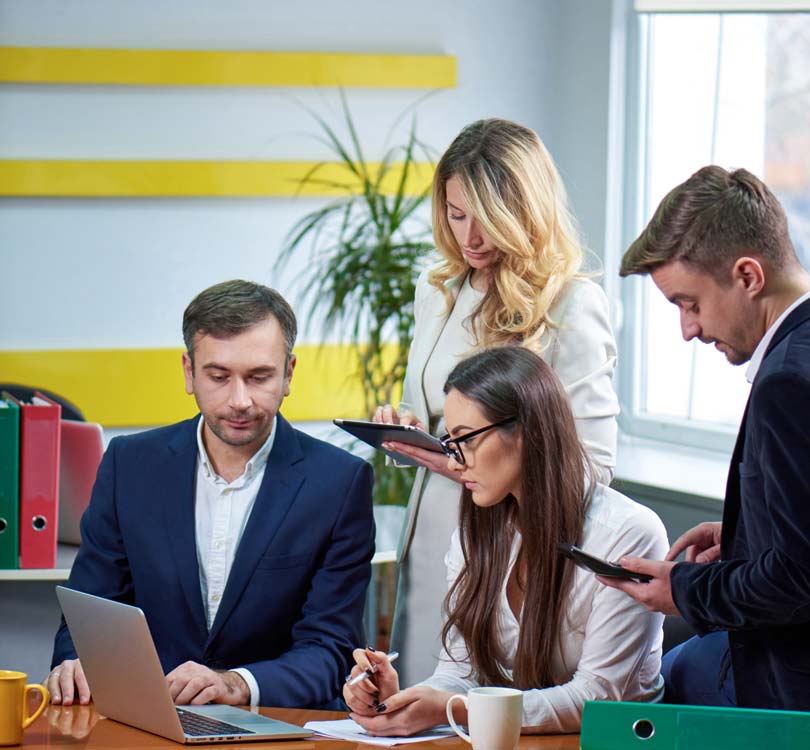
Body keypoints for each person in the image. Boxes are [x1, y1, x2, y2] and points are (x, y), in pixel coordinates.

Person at [48, 279, 375, 709]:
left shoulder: (339, 482)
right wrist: (76, 662)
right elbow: (89, 610)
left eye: (259, 377)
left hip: (278, 722)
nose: (239, 400)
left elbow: (332, 649)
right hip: (149, 718)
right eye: (218, 377)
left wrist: (236, 684)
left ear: (289, 374)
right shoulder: (130, 464)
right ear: (189, 372)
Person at [376, 118, 620, 683]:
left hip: (511, 546)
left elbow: (595, 468)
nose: (470, 236)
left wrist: (471, 462)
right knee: (423, 696)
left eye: (486, 217)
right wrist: (405, 429)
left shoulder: (571, 303)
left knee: (493, 707)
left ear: (525, 211)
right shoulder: (438, 290)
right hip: (432, 531)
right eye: (456, 214)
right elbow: (437, 411)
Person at [346, 347, 666, 735]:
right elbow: (459, 673)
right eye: (450, 442)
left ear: (527, 430)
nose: (455, 462)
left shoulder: (627, 534)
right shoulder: (477, 531)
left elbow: (598, 698)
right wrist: (401, 700)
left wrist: (454, 708)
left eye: (466, 439)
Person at [604, 165, 810, 710]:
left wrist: (683, 589)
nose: (688, 329)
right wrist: (749, 535)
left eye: (689, 304)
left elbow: (798, 578)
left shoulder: (787, 382)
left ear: (748, 276)